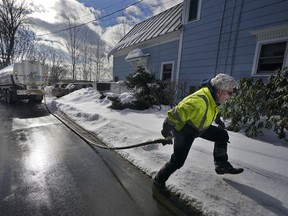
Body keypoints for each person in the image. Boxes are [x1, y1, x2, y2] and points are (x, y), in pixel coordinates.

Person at [153, 73, 244, 190]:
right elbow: (174, 115)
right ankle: (158, 180)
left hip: (200, 128)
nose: (230, 96)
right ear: (219, 91)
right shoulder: (198, 102)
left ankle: (221, 165)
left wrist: (217, 120)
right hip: (185, 132)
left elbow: (213, 108)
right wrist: (166, 131)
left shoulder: (214, 97)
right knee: (178, 161)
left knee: (222, 135)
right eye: (230, 93)